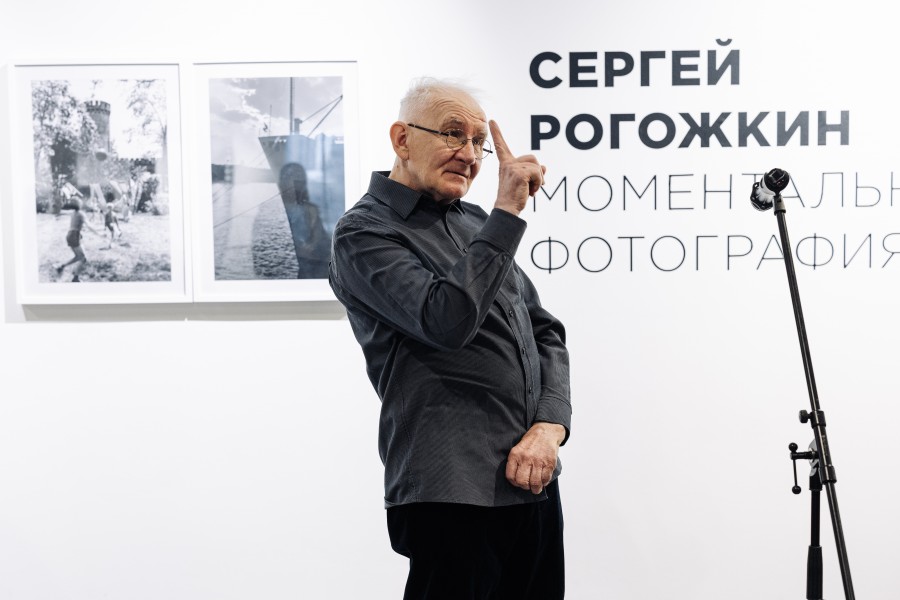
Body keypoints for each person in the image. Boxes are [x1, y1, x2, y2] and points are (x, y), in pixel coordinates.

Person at [329, 78, 572, 600]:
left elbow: (544, 331)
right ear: (402, 139)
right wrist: (507, 213)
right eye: (453, 134)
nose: (471, 155)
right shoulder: (363, 234)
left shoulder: (477, 223)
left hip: (531, 479)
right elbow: (445, 322)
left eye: (479, 142)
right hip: (451, 487)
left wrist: (550, 427)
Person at [56, 198, 99, 282]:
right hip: (74, 236)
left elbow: (77, 225)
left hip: (70, 235)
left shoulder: (73, 213)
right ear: (79, 204)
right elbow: (89, 226)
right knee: (83, 258)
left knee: (78, 256)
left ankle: (62, 266)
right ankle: (75, 277)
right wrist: (99, 233)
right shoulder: (81, 214)